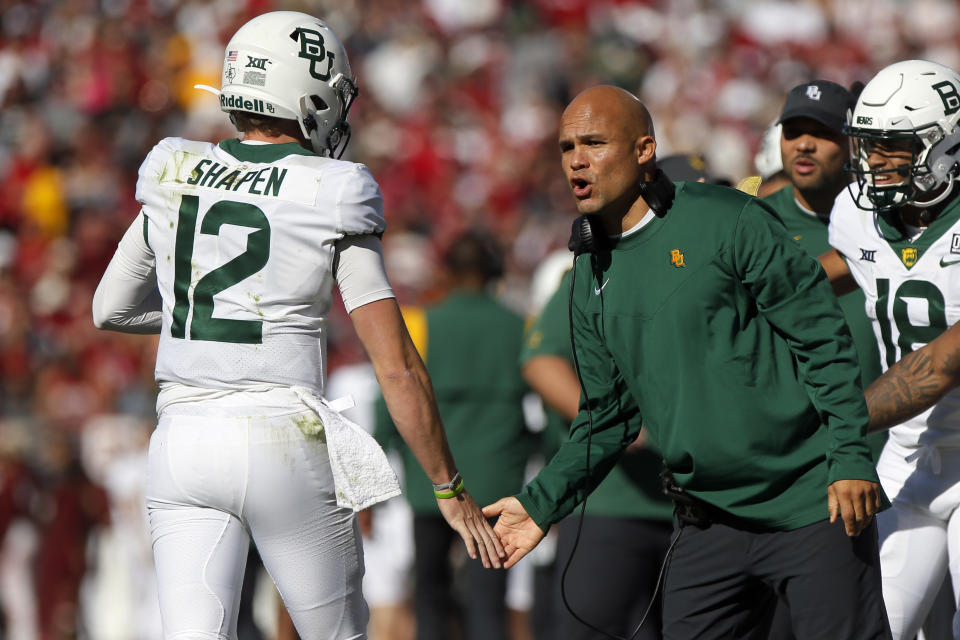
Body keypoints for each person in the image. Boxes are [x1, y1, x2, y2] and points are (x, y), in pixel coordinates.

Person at [90, 11, 502, 640]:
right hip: (279, 434)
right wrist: (448, 487)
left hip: (181, 440)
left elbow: (110, 308)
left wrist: (204, 325)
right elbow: (395, 363)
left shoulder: (174, 168)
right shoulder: (334, 188)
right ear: (305, 93)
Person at [482, 84, 891, 640]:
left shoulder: (730, 219)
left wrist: (849, 455)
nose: (576, 159)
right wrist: (539, 504)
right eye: (566, 146)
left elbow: (822, 338)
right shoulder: (586, 276)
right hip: (706, 521)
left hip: (812, 505)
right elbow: (608, 417)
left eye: (595, 143)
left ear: (644, 149)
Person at [819, 59, 960, 640]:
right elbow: (852, 267)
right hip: (906, 461)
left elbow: (942, 361)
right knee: (871, 629)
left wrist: (833, 423)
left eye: (892, 146)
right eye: (868, 145)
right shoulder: (857, 213)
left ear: (945, 145)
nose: (874, 161)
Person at [374, 229, 529, 640]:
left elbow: (389, 406)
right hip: (499, 485)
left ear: (447, 271)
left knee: (430, 596)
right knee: (489, 599)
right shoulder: (521, 327)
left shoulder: (419, 323)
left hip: (433, 486)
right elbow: (548, 412)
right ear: (494, 271)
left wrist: (371, 487)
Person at [520, 263, 673, 640]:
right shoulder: (599, 273)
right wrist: (613, 425)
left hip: (697, 506)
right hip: (611, 504)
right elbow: (541, 361)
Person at [763, 79, 885, 454]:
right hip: (786, 453)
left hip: (889, 447)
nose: (804, 144)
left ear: (854, 142)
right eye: (794, 131)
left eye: (822, 132)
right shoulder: (749, 222)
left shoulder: (890, 218)